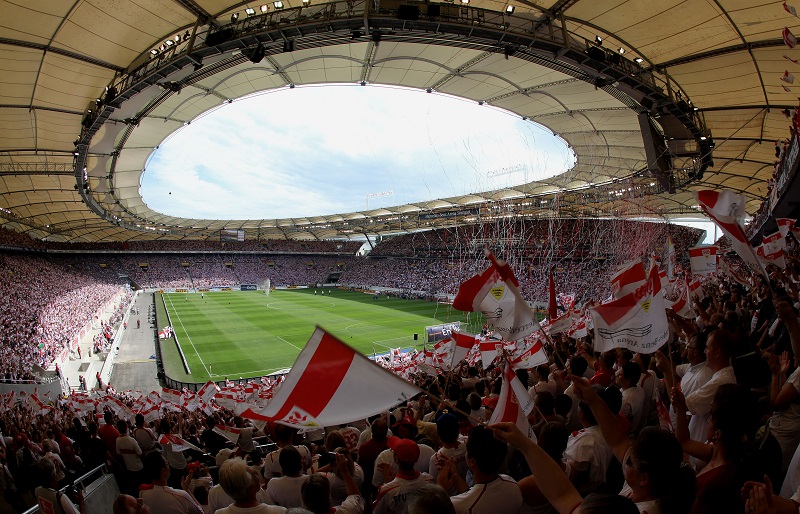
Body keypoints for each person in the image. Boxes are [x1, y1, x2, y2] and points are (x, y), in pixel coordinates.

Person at [492, 422, 638, 514]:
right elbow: (563, 495)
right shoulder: (569, 471)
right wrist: (524, 444)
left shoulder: (527, 484)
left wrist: (524, 445)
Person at [437, 425, 523, 514]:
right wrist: (455, 476)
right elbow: (478, 495)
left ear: (472, 461)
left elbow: (473, 499)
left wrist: (440, 489)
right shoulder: (512, 484)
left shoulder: (458, 507)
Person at [373, 437, 432, 514]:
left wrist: (388, 484)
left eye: (393, 452)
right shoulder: (429, 481)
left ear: (396, 458)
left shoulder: (386, 490)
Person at [215, 457, 286, 513]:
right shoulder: (280, 512)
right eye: (255, 475)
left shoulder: (219, 513)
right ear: (250, 489)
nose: (257, 475)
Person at [139, 452, 204, 514]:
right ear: (163, 471)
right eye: (167, 464)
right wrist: (186, 489)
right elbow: (201, 512)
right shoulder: (181, 496)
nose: (169, 466)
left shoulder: (143, 494)